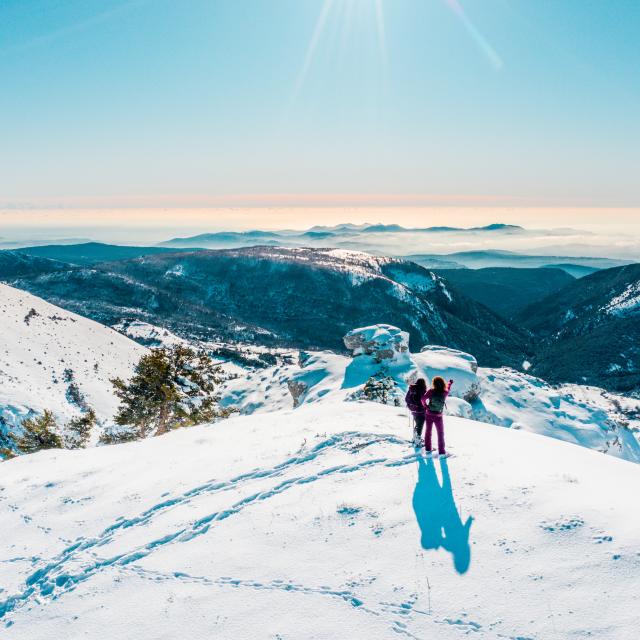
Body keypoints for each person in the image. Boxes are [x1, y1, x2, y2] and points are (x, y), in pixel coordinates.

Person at [421, 376, 453, 457]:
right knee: (440, 433)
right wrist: (450, 383)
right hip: (438, 416)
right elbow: (448, 387)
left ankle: (428, 449)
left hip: (429, 414)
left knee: (428, 432)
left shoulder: (431, 391)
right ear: (443, 383)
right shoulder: (445, 392)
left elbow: (423, 399)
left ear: (434, 383)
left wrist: (426, 406)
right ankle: (441, 452)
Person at [405, 378, 427, 447]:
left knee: (417, 424)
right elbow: (423, 400)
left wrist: (410, 406)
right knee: (420, 425)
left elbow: (406, 399)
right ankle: (418, 441)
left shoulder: (411, 388)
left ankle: (415, 439)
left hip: (413, 410)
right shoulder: (422, 389)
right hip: (420, 411)